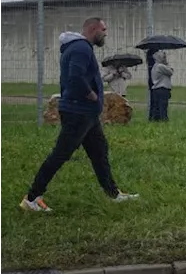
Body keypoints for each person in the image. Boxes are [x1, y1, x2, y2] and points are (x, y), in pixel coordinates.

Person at [20, 18, 139, 212]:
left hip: (87, 115)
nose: (106, 33)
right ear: (93, 29)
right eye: (103, 29)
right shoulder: (81, 49)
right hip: (78, 112)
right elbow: (75, 77)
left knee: (99, 152)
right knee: (60, 154)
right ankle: (32, 198)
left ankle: (113, 193)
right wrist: (91, 95)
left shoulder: (79, 48)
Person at [149, 50, 173, 122]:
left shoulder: (155, 66)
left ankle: (155, 120)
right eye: (163, 57)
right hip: (162, 88)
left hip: (156, 89)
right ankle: (164, 120)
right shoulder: (160, 66)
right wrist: (167, 64)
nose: (165, 58)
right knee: (163, 106)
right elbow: (171, 72)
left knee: (157, 106)